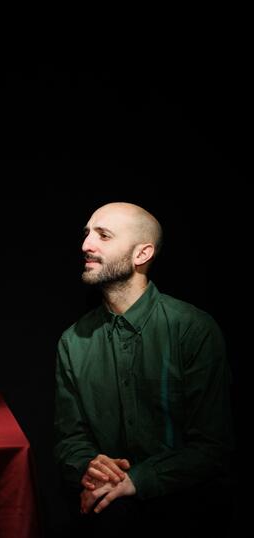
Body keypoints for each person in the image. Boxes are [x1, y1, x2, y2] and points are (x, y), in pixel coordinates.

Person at [53, 202, 233, 536]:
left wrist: (136, 480)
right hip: (107, 515)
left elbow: (212, 447)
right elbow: (69, 440)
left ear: (142, 254)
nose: (86, 245)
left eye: (103, 235)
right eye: (87, 234)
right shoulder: (73, 341)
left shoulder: (192, 329)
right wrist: (89, 467)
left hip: (187, 512)